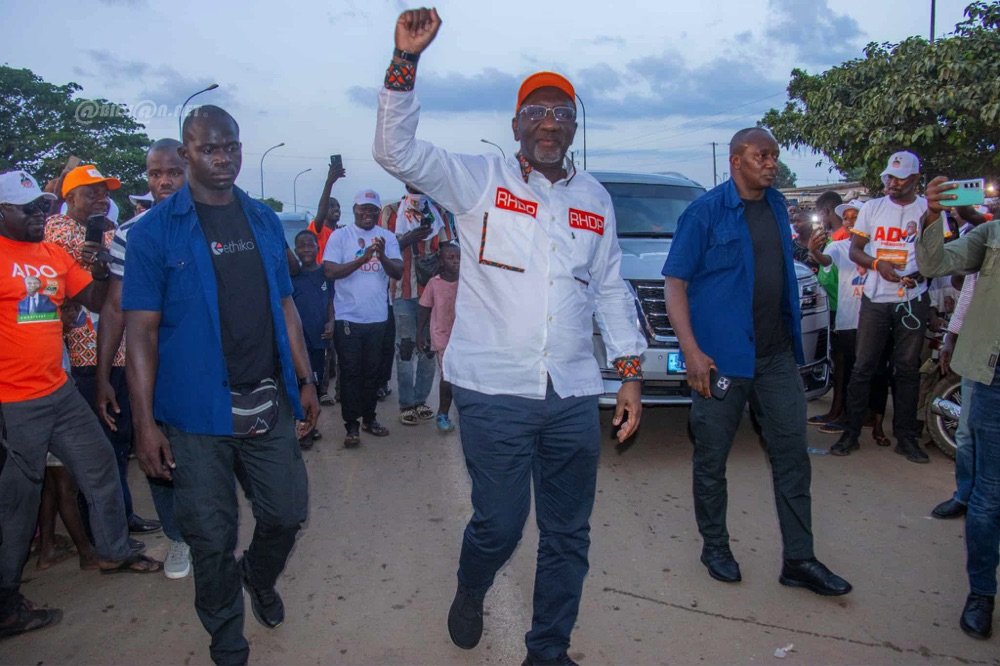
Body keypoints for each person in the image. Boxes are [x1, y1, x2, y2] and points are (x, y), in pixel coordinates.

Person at [374, 10, 645, 665]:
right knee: (498, 524)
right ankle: (472, 586)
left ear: (574, 126)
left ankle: (548, 649)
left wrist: (630, 371)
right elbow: (396, 153)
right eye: (536, 113)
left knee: (567, 532)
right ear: (516, 125)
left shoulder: (595, 200)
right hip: (493, 386)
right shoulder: (479, 181)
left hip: (574, 387)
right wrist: (405, 63)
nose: (549, 123)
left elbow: (609, 286)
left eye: (561, 113)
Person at [123, 105, 317, 666]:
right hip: (195, 415)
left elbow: (285, 304)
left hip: (265, 401)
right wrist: (143, 424)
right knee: (210, 538)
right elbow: (141, 332)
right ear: (186, 156)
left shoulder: (258, 218)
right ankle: (227, 640)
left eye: (231, 145)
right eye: (210, 148)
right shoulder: (155, 232)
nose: (224, 157)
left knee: (286, 513)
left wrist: (305, 379)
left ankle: (258, 575)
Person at [662, 128, 852, 598]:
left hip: (776, 358)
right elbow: (675, 285)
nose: (770, 164)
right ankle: (716, 547)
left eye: (773, 156)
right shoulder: (703, 213)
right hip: (722, 360)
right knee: (712, 458)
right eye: (760, 156)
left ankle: (800, 559)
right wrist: (691, 350)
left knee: (792, 457)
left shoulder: (775, 205)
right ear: (735, 161)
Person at [1, 170, 161, 641]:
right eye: (27, 208)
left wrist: (106, 268)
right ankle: (6, 602)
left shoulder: (50, 254)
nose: (39, 215)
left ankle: (113, 549)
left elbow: (93, 298)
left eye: (43, 207)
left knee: (101, 467)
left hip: (59, 390)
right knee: (17, 502)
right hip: (12, 403)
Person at [44, 164, 162, 538]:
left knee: (121, 439)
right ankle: (102, 527)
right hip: (86, 356)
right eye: (92, 192)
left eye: (104, 192)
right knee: (98, 447)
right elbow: (88, 270)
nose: (101, 198)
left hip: (121, 351)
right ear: (70, 197)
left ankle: (122, 516)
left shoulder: (111, 232)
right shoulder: (57, 229)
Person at [97, 138, 192, 579]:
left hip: (200, 361)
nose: (164, 181)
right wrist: (102, 376)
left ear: (188, 170)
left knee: (208, 452)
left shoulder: (208, 224)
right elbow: (115, 307)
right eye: (155, 173)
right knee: (156, 450)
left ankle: (208, 533)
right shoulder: (130, 235)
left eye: (172, 171)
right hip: (147, 364)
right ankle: (177, 537)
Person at [917, 175, 1000, 640]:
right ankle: (982, 591)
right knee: (989, 497)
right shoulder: (990, 235)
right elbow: (934, 263)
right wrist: (933, 216)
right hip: (993, 379)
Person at [830, 151, 931, 462]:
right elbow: (856, 250)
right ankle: (851, 432)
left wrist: (920, 273)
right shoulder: (872, 208)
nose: (891, 183)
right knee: (863, 366)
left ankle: (906, 436)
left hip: (913, 299)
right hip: (875, 298)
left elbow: (941, 254)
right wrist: (877, 264)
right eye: (889, 176)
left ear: (914, 179)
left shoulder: (928, 209)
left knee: (907, 370)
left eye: (899, 178)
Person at [322, 189, 403, 448]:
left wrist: (382, 256)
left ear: (378, 213)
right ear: (354, 209)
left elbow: (398, 272)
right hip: (348, 318)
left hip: (378, 318)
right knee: (350, 373)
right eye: (362, 209)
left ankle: (369, 418)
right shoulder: (340, 236)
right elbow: (330, 271)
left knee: (373, 373)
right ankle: (351, 425)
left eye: (372, 210)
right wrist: (364, 258)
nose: (367, 213)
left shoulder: (387, 237)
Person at [380, 185, 454, 425]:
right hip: (404, 289)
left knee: (429, 348)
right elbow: (383, 248)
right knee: (406, 347)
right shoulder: (391, 212)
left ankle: (421, 400)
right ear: (404, 182)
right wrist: (407, 239)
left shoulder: (438, 212)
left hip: (432, 292)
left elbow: (448, 250)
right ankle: (407, 403)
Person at [806, 220, 868, 434]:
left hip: (874, 319)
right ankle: (840, 413)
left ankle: (857, 417)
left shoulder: (878, 247)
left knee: (865, 371)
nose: (850, 221)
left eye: (855, 216)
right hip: (848, 319)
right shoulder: (839, 247)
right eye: (847, 217)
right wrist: (813, 250)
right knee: (844, 367)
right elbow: (825, 260)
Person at [291, 229, 334, 445]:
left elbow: (330, 303)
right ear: (296, 249)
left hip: (318, 341)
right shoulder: (292, 276)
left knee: (314, 385)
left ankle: (311, 426)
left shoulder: (324, 275)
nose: (306, 249)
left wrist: (331, 322)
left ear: (318, 247)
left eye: (310, 244)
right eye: (301, 245)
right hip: (298, 344)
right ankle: (301, 427)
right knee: (299, 385)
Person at [417, 241, 460, 432]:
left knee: (462, 376)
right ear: (441, 261)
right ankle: (443, 413)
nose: (456, 261)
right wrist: (420, 333)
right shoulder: (434, 283)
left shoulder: (467, 282)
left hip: (463, 335)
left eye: (458, 257)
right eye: (450, 258)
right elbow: (424, 308)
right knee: (447, 376)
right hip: (442, 336)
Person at [307, 161, 347, 259]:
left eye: (338, 206)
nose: (336, 208)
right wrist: (329, 183)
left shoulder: (341, 233)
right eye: (331, 206)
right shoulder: (318, 229)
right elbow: (320, 215)